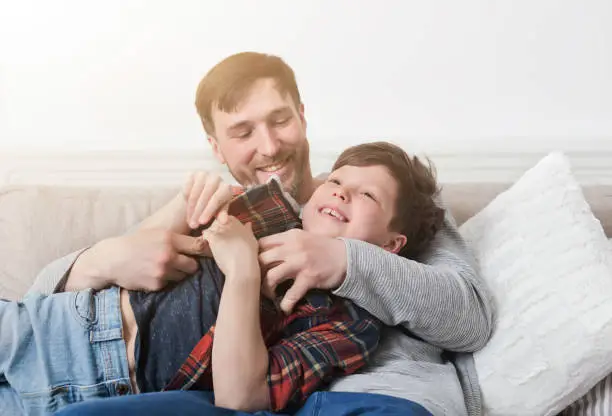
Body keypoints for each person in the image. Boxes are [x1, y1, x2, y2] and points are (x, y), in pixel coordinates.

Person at [25, 52, 495, 416]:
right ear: (216, 147)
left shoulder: (387, 202)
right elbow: (42, 300)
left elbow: (470, 318)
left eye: (280, 120)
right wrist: (108, 255)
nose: (269, 146)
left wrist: (343, 260)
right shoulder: (222, 211)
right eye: (243, 131)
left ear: (303, 115)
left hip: (367, 400)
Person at [0, 142, 443, 416]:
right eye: (338, 180)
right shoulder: (269, 209)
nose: (342, 191)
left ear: (390, 247)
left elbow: (240, 397)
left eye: (367, 194)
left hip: (101, 392)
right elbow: (139, 252)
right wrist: (184, 205)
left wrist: (243, 271)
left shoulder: (351, 324)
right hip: (53, 325)